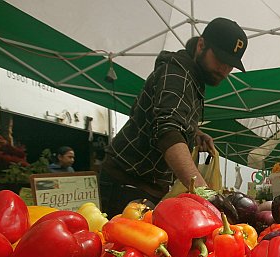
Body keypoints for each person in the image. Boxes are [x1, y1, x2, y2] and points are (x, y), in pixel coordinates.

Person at [99, 17, 247, 215]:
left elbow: (163, 114)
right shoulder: (177, 74)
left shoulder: (192, 75)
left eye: (230, 65)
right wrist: (206, 196)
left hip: (146, 184)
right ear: (201, 45)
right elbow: (168, 130)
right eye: (220, 59)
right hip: (127, 182)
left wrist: (193, 131)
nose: (224, 69)